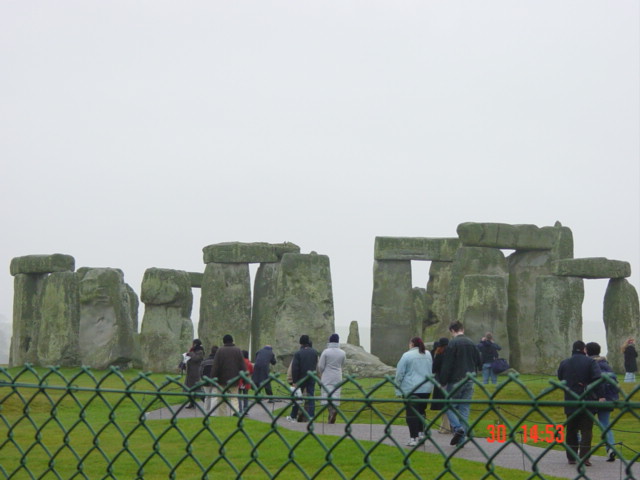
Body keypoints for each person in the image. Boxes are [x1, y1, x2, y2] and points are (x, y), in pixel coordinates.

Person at [557, 340, 604, 466]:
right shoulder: (591, 362)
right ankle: (584, 457)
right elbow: (598, 379)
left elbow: (560, 377)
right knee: (586, 430)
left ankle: (571, 457)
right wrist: (599, 395)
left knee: (571, 430)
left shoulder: (565, 362)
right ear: (584, 350)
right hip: (587, 400)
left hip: (570, 400)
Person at [439, 321, 482, 447]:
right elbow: (479, 362)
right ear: (462, 329)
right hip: (470, 378)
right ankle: (461, 440)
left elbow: (447, 365)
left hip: (455, 379)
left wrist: (443, 381)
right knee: (464, 409)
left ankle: (458, 428)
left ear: (452, 331)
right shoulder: (471, 342)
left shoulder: (453, 343)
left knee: (448, 405)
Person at [395, 337, 433, 446]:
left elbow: (400, 373)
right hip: (426, 387)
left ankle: (413, 438)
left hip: (411, 387)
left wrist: (398, 388)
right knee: (421, 411)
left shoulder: (406, 355)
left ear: (411, 344)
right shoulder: (428, 354)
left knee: (411, 414)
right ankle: (421, 433)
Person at [585, 341, 619, 462]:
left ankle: (581, 448)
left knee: (585, 425)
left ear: (587, 351)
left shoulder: (591, 365)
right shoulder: (607, 365)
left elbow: (597, 383)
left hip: (594, 398)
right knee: (605, 425)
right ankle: (610, 448)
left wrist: (600, 396)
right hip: (609, 399)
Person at [210, 334, 246, 416]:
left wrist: (213, 378)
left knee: (221, 398)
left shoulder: (220, 351)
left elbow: (216, 366)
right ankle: (235, 412)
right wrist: (244, 379)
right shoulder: (238, 350)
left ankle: (222, 415)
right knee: (234, 397)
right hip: (235, 378)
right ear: (232, 341)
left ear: (223, 341)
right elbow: (242, 365)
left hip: (221, 379)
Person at [287, 335, 319, 422]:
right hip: (311, 377)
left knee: (297, 397)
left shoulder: (298, 353)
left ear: (300, 343)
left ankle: (293, 416)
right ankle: (311, 416)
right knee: (311, 397)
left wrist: (294, 381)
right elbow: (316, 365)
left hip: (300, 378)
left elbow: (295, 368)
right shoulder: (314, 352)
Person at [318, 333, 346, 424]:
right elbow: (343, 364)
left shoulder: (326, 351)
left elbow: (320, 366)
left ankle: (331, 412)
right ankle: (333, 411)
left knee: (327, 394)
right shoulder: (342, 352)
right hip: (338, 375)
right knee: (336, 394)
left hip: (327, 375)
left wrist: (321, 373)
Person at [430, 337, 451, 434]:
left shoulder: (439, 354)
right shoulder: (453, 353)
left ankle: (445, 427)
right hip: (453, 381)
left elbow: (434, 369)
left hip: (442, 382)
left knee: (444, 405)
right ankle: (453, 426)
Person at [184, 339, 205, 409]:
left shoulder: (200, 351)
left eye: (193, 344)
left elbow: (196, 358)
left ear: (196, 344)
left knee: (197, 389)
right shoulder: (192, 351)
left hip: (196, 373)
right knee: (189, 389)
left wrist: (190, 353)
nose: (192, 345)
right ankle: (192, 403)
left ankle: (205, 401)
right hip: (190, 373)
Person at [200, 345, 219, 414]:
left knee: (207, 397)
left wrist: (203, 378)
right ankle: (213, 413)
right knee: (214, 397)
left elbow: (201, 372)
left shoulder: (205, 361)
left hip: (206, 381)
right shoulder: (218, 362)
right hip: (215, 381)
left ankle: (206, 411)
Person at [238, 350, 254, 415]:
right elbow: (251, 372)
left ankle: (240, 409)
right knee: (246, 396)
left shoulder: (239, 362)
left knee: (238, 396)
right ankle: (246, 409)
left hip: (239, 380)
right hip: (246, 381)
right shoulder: (249, 363)